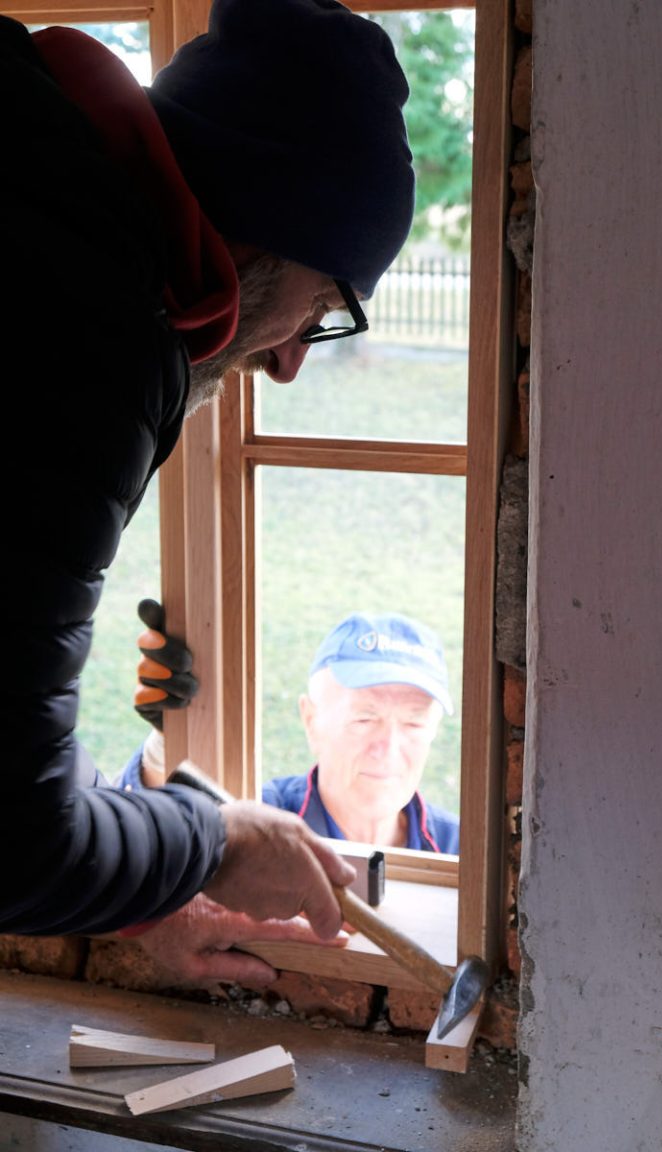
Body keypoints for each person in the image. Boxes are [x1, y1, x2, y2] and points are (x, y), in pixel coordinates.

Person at [1, 0, 415, 986]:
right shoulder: (89, 329)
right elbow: (14, 840)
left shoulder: (39, 190)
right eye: (321, 308)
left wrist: (146, 887)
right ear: (261, 232)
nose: (289, 363)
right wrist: (213, 839)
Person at [123, 609, 460, 853]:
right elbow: (167, 841)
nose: (387, 748)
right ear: (311, 721)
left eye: (414, 723)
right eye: (364, 719)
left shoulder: (461, 852)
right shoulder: (258, 822)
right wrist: (167, 746)